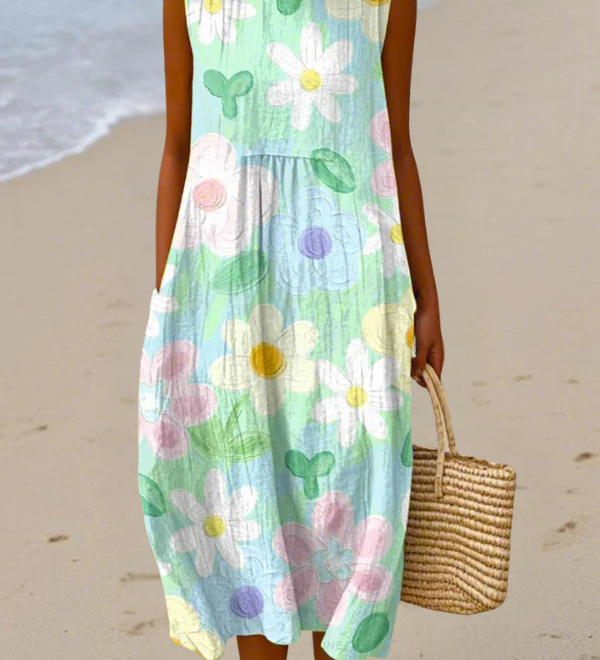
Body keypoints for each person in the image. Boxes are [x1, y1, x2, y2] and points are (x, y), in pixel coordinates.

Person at [137, 0, 444, 659]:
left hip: (355, 294)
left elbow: (395, 146)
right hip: (224, 290)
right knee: (246, 497)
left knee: (352, 500)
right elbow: (178, 148)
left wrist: (427, 294)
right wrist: (168, 299)